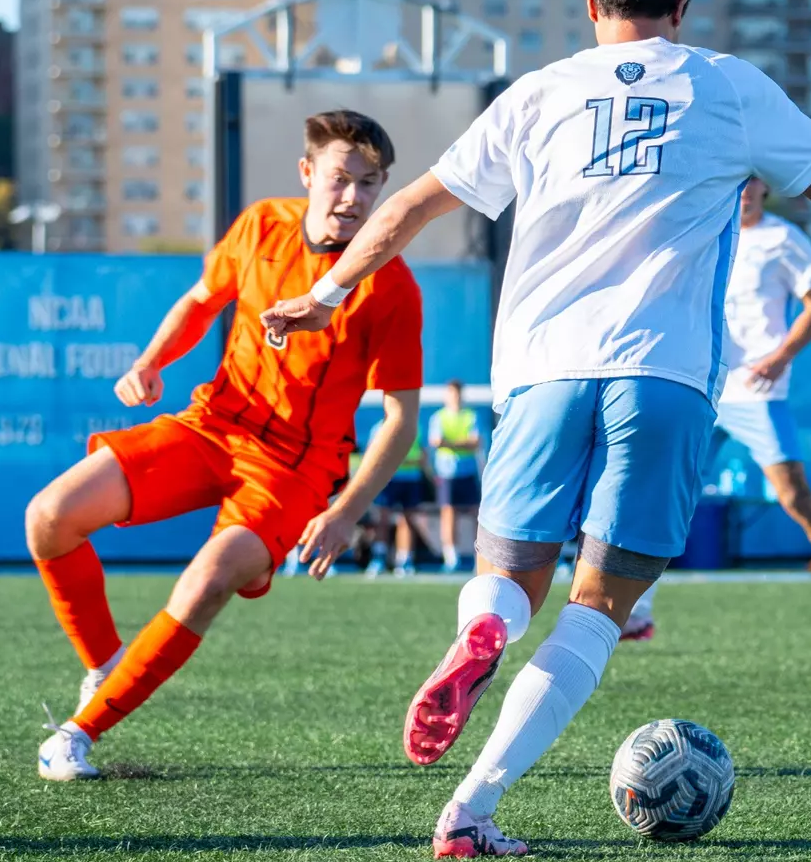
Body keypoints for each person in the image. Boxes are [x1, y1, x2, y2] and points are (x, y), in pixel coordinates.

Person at [262, 0, 811, 858]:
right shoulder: (731, 88)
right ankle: (471, 808)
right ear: (685, 1)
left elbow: (416, 205)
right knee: (599, 606)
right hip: (664, 377)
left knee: (508, 578)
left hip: (541, 372)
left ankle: (485, 633)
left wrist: (327, 291)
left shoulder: (538, 94)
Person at [26, 111, 424, 780]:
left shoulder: (391, 287)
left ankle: (75, 735)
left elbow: (399, 420)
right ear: (307, 174)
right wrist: (152, 361)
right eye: (341, 178)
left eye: (370, 183)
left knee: (207, 580)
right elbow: (200, 300)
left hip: (294, 470)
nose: (353, 196)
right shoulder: (261, 225)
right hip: (213, 425)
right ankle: (105, 666)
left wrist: (346, 510)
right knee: (49, 518)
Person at [620, 178, 811, 650]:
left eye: (753, 182)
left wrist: (782, 354)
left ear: (765, 187)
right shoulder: (705, 230)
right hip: (701, 385)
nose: (744, 191)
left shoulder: (784, 238)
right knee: (668, 498)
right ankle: (638, 611)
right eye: (737, 181)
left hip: (757, 392)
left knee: (796, 498)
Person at [361, 416, 429, 576]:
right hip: (388, 480)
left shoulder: (414, 426)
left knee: (407, 520)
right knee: (382, 519)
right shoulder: (379, 427)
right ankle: (379, 558)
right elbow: (372, 454)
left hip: (411, 479)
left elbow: (422, 455)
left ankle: (405, 560)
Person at [429, 380, 484, 572]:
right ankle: (451, 556)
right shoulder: (439, 417)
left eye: (458, 394)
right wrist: (463, 443)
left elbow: (475, 442)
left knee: (478, 514)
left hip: (467, 473)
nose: (455, 397)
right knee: (449, 513)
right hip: (447, 474)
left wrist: (450, 443)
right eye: (451, 393)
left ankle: (481, 555)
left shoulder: (470, 416)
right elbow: (436, 442)